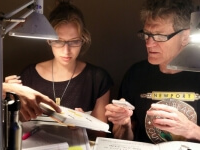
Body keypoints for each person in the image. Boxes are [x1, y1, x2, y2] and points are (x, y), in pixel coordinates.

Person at [105, 0, 200, 143]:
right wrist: (124, 125)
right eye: (147, 34)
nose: (149, 44)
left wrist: (191, 130)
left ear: (185, 37)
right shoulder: (136, 74)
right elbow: (123, 139)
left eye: (160, 36)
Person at [19, 0, 113, 138]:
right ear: (48, 39)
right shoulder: (29, 75)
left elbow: (100, 136)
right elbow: (19, 124)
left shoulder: (97, 78)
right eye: (58, 41)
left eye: (74, 41)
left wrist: (84, 125)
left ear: (83, 39)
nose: (66, 50)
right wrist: (12, 98)